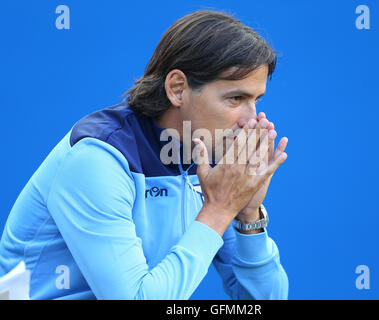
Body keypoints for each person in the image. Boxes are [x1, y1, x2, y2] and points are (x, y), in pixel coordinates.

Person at [0, 9, 289, 300]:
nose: (251, 119)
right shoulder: (97, 158)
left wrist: (247, 216)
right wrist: (219, 210)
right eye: (236, 98)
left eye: (256, 100)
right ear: (177, 89)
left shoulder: (209, 162)